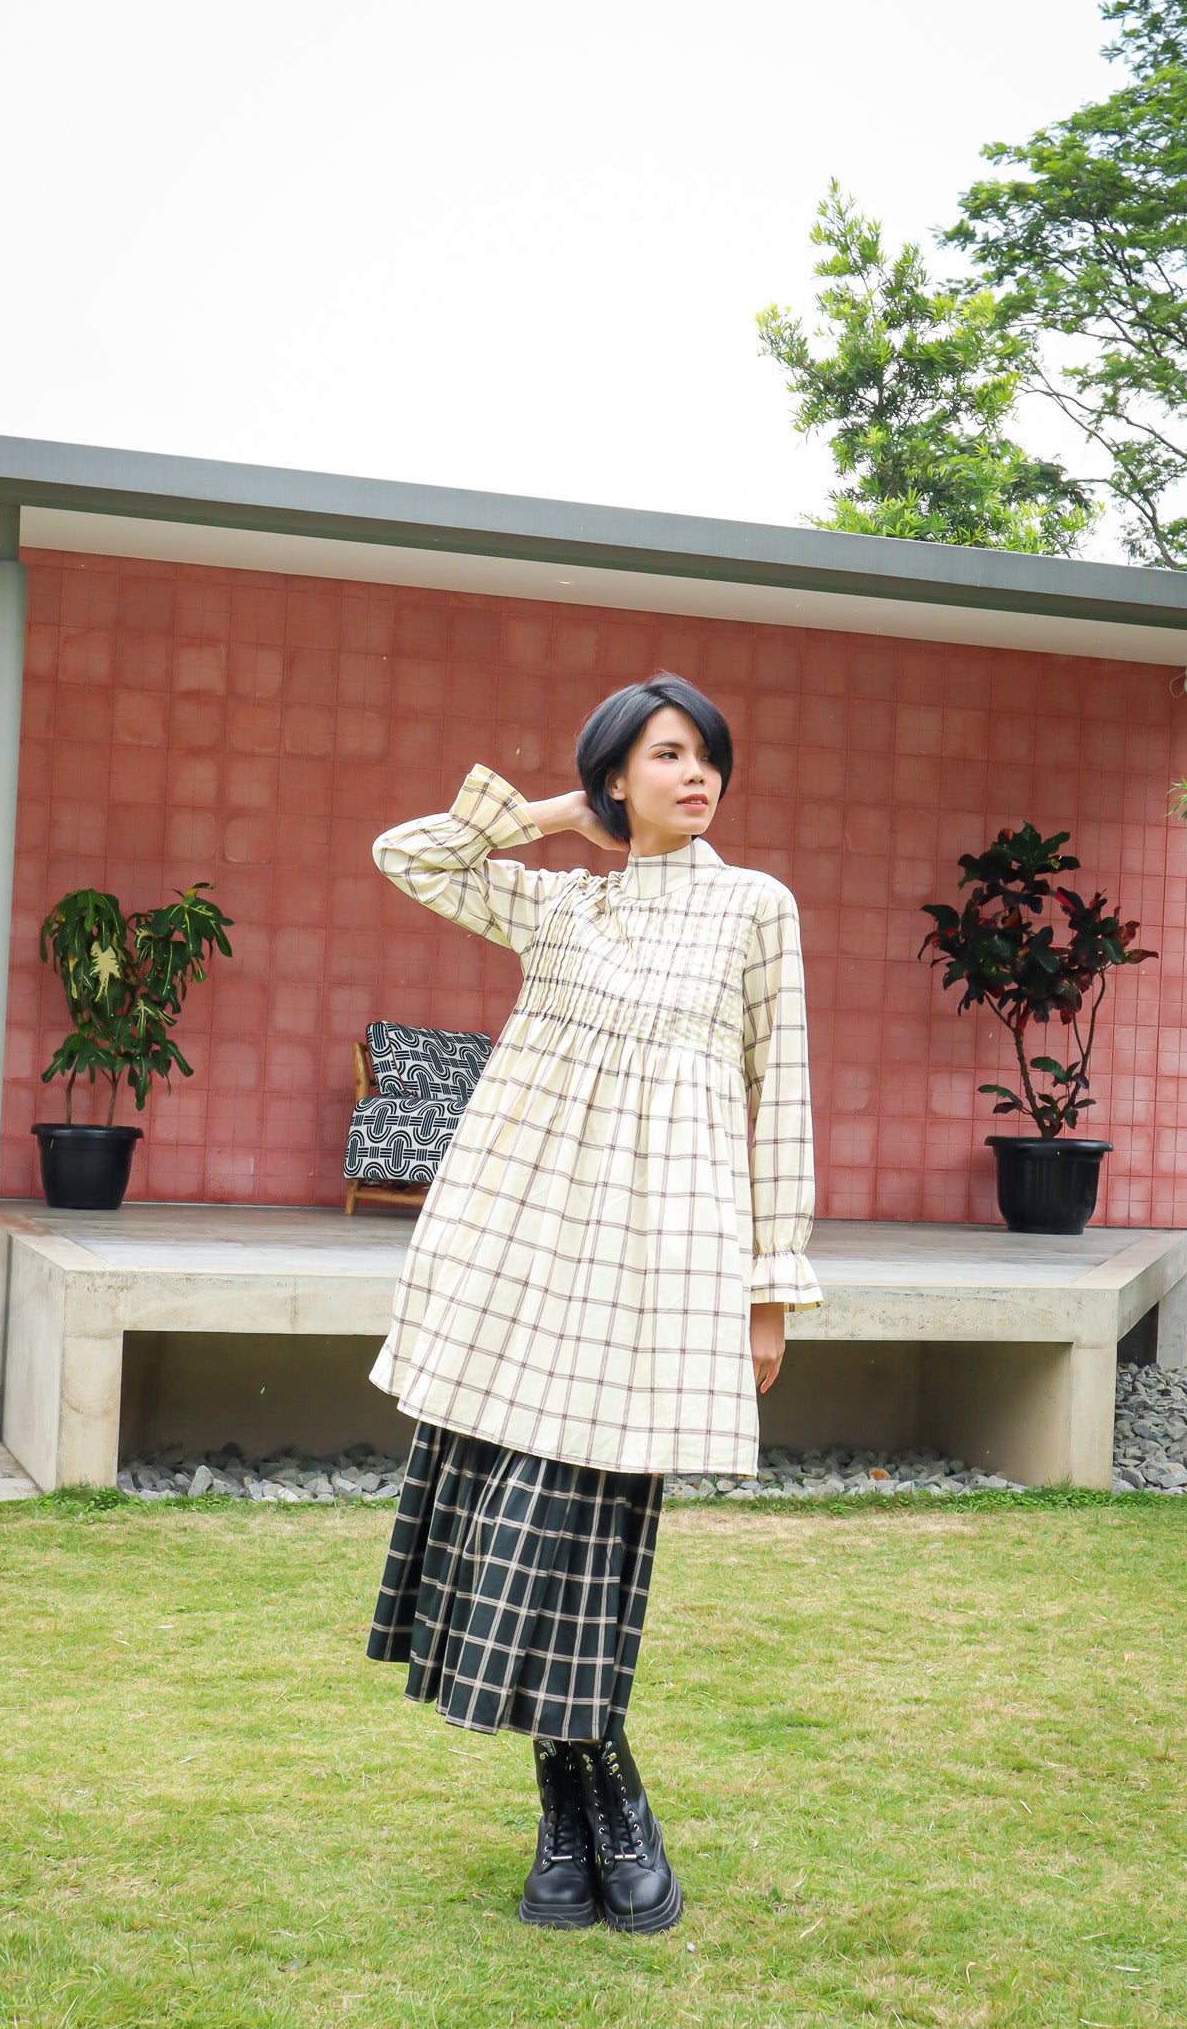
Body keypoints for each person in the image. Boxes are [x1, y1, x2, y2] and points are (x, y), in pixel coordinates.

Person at [364, 670, 822, 1933]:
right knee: (502, 1522)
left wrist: (767, 1290)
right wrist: (565, 813)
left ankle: (591, 1807)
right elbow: (407, 852)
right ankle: (586, 1812)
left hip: (659, 1272)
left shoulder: (752, 908)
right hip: (519, 1254)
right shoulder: (566, 904)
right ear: (619, 774)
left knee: (586, 1535)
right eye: (665, 754)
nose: (696, 773)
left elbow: (776, 1098)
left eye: (707, 755)